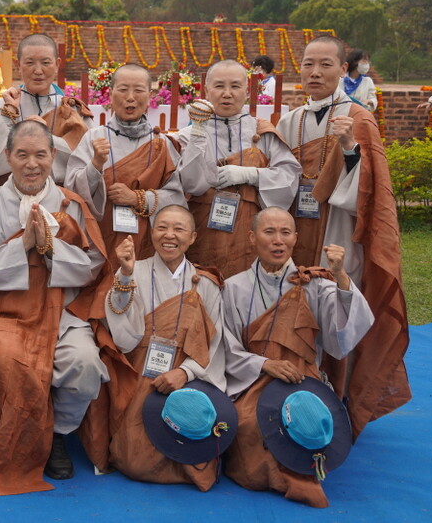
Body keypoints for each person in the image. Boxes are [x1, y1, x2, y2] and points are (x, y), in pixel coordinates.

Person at [0, 120, 108, 495]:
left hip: (60, 313)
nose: (31, 164)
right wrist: (23, 244)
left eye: (40, 155)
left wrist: (50, 249)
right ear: (8, 157)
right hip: (5, 314)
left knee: (86, 365)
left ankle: (57, 433)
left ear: (53, 157)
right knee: (8, 362)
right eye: (22, 155)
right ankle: (16, 441)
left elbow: (93, 265)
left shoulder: (70, 204)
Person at [275, 34, 409, 438]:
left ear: (343, 70)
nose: (315, 72)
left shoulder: (359, 117)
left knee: (333, 306)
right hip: (295, 229)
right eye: (308, 64)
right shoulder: (290, 120)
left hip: (336, 229)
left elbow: (371, 190)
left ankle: (340, 398)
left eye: (326, 65)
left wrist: (350, 148)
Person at [221, 207, 373, 508]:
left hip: (303, 378)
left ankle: (300, 475)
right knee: (249, 424)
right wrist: (264, 364)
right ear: (252, 238)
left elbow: (343, 331)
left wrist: (341, 276)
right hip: (255, 380)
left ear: (295, 238)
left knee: (308, 421)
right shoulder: (234, 287)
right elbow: (226, 347)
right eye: (269, 232)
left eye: (285, 232)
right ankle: (278, 478)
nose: (278, 241)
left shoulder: (313, 283)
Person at [96, 205, 228, 489]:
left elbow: (215, 346)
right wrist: (126, 275)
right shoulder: (134, 271)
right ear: (152, 233)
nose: (170, 235)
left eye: (179, 229)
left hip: (190, 378)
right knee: (135, 461)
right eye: (162, 227)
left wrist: (185, 372)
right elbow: (124, 338)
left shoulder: (206, 284)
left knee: (196, 454)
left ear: (192, 237)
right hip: (141, 374)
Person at [174, 60, 300, 278]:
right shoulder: (188, 135)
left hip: (249, 234)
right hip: (204, 232)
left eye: (235, 86)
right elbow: (188, 185)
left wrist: (252, 175)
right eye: (219, 86)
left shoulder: (262, 133)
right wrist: (197, 136)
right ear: (206, 90)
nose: (227, 93)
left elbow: (289, 178)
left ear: (247, 90)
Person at [64, 63, 187, 269]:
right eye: (123, 89)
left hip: (147, 238)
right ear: (111, 94)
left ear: (150, 95)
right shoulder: (94, 137)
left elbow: (177, 198)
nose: (130, 97)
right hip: (102, 237)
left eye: (138, 90)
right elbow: (72, 191)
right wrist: (95, 165)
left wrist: (138, 198)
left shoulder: (161, 143)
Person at [0, 33, 94, 185]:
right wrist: (8, 114)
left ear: (57, 64)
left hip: (57, 202)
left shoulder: (72, 110)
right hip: (11, 202)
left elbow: (89, 163)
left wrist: (47, 137)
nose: (38, 70)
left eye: (46, 63)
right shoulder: (2, 107)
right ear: (18, 65)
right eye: (30, 63)